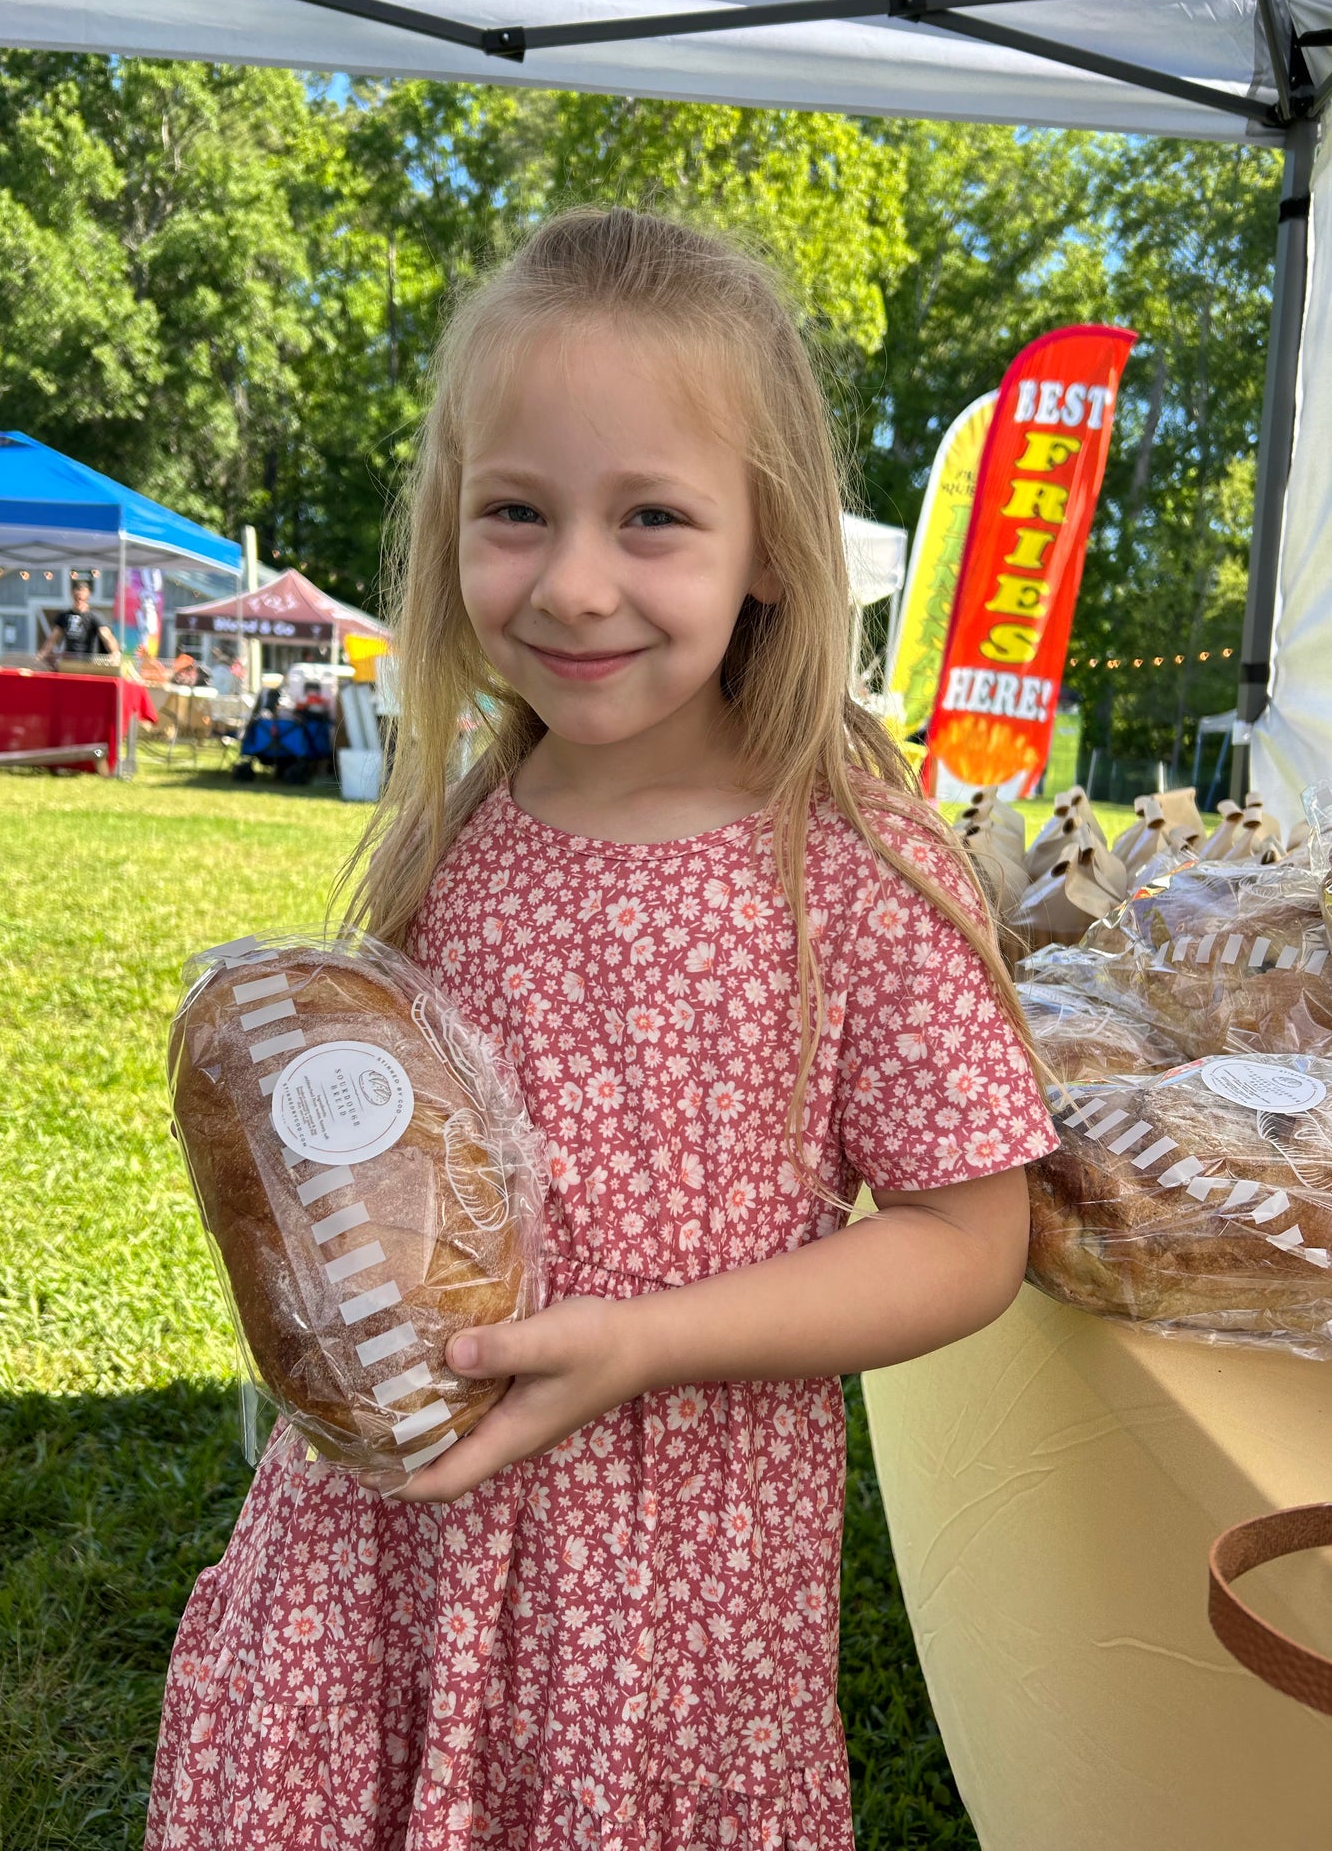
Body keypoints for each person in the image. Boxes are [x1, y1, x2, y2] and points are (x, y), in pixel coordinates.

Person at [146, 209, 1057, 1850]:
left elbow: (967, 1236)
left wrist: (638, 1338)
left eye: (652, 517)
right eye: (516, 512)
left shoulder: (853, 864)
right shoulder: (460, 829)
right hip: (400, 1533)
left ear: (768, 542)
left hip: (661, 1575)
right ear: (449, 520)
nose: (574, 583)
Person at [36, 578, 117, 665]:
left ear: (88, 594)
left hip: (87, 663)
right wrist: (41, 655)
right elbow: (53, 639)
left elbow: (106, 635)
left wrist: (115, 653)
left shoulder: (94, 616)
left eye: (83, 592)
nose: (79, 596)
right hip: (69, 662)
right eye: (77, 592)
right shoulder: (64, 615)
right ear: (72, 593)